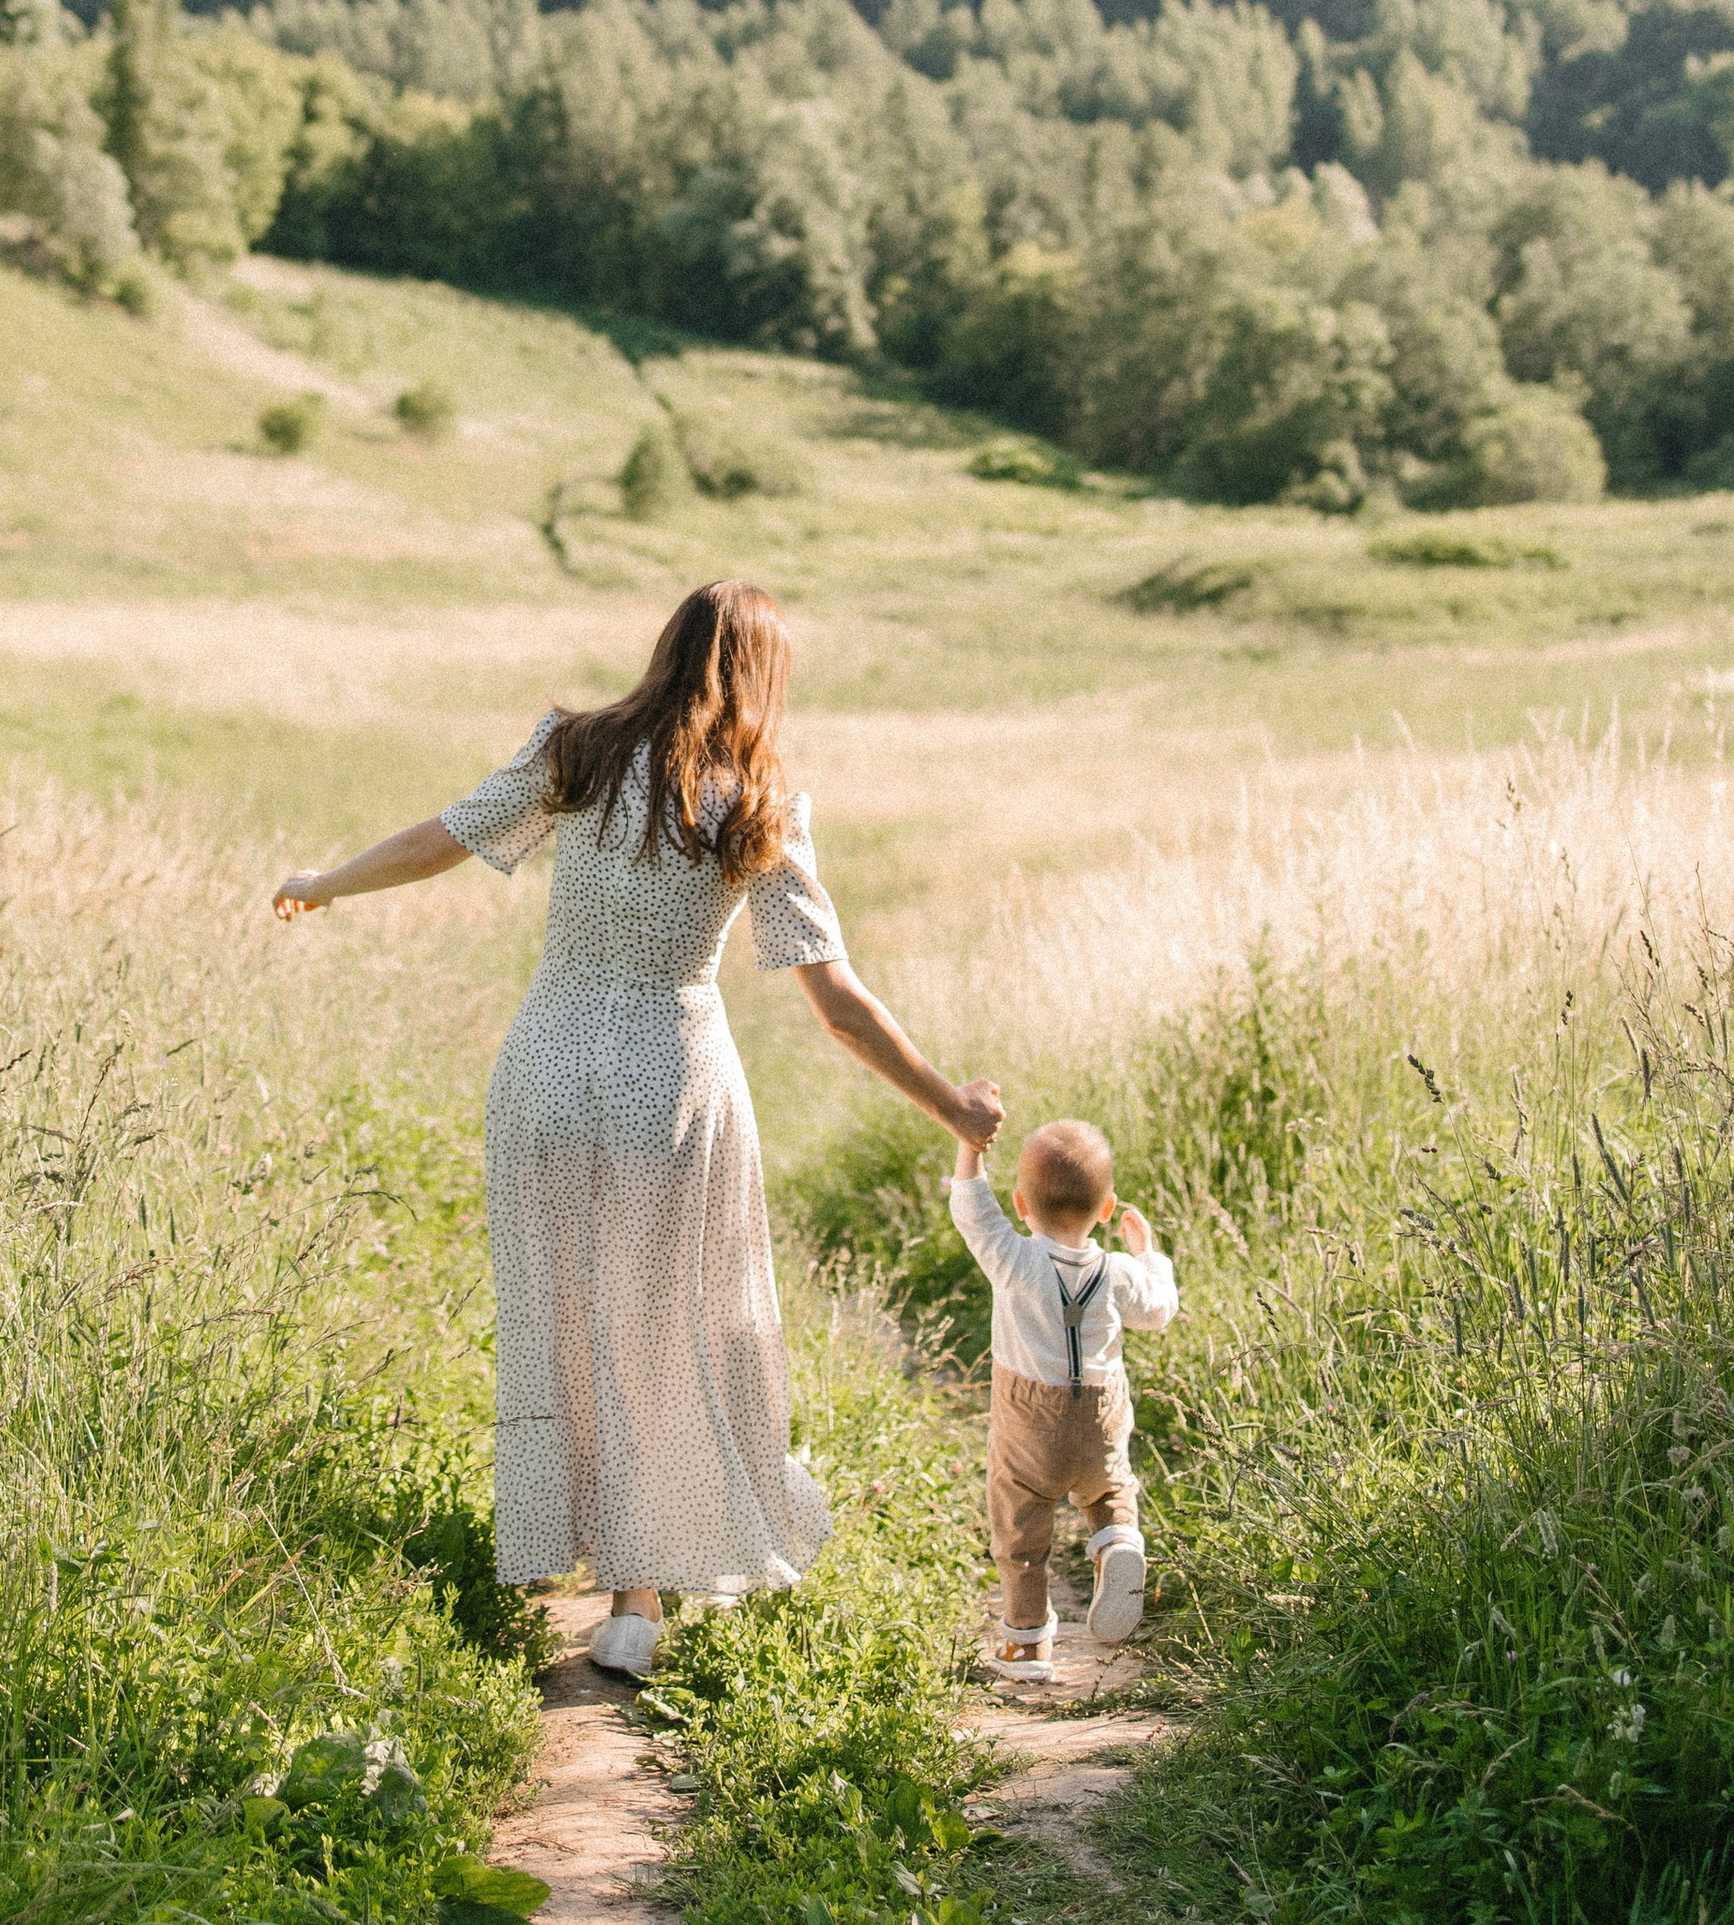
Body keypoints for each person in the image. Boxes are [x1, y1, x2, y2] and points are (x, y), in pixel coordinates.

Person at [274, 581, 1002, 1679]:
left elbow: (441, 839)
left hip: (546, 1077)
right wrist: (952, 1104)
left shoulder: (574, 751)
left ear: (667, 650)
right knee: (667, 1331)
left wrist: (325, 883)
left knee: (561, 1316)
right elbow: (839, 1005)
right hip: (669, 1089)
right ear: (763, 678)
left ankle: (573, 1545)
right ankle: (636, 1599)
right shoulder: (757, 803)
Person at [948, 1103, 1178, 1678]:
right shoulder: (1118, 1271)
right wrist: (1149, 1254)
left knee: (1021, 1527)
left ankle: (1027, 1644)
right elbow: (1159, 1309)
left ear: (1021, 1205)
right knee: (1110, 1488)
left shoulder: (1013, 1260)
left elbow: (973, 1212)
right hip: (1101, 1416)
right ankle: (1117, 1541)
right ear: (1107, 1209)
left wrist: (970, 1144)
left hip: (1030, 1424)